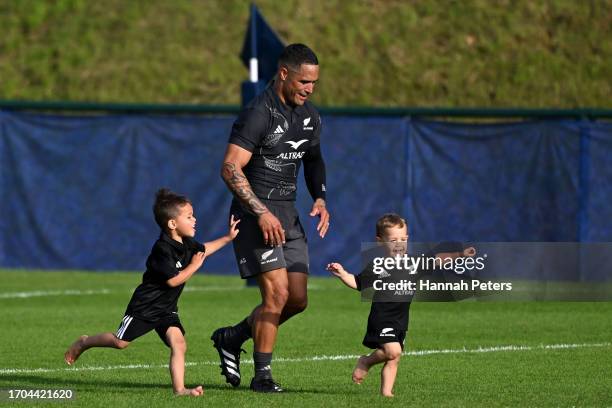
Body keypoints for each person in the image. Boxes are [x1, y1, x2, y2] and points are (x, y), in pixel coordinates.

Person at [211, 43, 330, 393]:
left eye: (314, 84)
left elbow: (313, 158)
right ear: (283, 74)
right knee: (276, 295)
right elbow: (230, 167)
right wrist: (260, 212)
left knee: (297, 300)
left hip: (288, 215)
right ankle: (262, 377)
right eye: (303, 81)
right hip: (255, 215)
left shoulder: (310, 116)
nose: (308, 89)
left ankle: (232, 337)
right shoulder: (259, 112)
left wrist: (321, 196)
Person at [64, 188, 240, 397]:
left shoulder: (187, 244)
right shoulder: (162, 249)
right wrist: (193, 267)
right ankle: (84, 342)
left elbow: (203, 250)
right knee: (121, 343)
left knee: (179, 344)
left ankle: (180, 390)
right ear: (172, 224)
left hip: (166, 309)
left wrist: (228, 238)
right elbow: (174, 280)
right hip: (145, 306)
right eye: (189, 216)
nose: (195, 220)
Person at [327, 213, 474, 397]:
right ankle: (366, 362)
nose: (399, 244)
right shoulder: (378, 265)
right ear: (380, 241)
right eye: (393, 239)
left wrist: (460, 254)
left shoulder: (414, 263)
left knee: (394, 358)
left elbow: (437, 260)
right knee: (392, 350)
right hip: (382, 318)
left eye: (403, 239)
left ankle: (387, 393)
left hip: (401, 320)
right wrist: (343, 274)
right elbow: (358, 283)